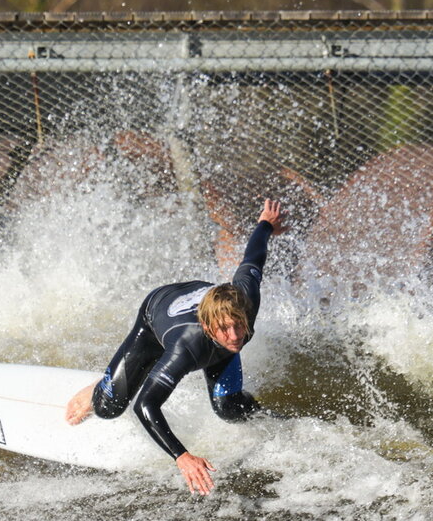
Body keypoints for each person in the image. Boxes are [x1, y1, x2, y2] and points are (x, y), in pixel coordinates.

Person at [65, 198, 285, 496]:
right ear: (208, 328)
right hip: (157, 315)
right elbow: (146, 405)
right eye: (224, 329)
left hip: (207, 301)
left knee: (229, 409)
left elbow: (253, 257)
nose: (234, 336)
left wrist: (266, 224)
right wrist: (182, 456)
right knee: (111, 407)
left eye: (238, 325)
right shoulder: (187, 347)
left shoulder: (243, 300)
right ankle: (104, 384)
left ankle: (273, 419)